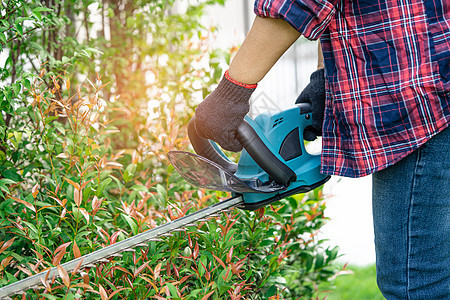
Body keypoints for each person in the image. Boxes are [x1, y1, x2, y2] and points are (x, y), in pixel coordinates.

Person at [194, 0, 450, 299]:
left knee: (414, 284)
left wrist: (232, 93)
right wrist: (325, 78)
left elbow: (296, 4)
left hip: (422, 103)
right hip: (434, 80)